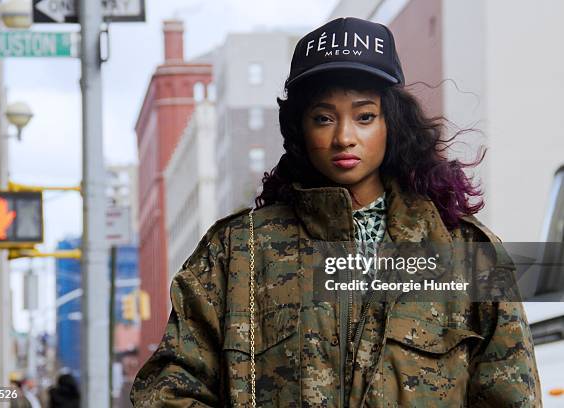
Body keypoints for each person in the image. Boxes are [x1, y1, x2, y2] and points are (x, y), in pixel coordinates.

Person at [130, 17, 541, 407]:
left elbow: (510, 394)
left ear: (390, 124)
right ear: (300, 129)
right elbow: (168, 389)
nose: (344, 137)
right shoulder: (238, 254)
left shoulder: (465, 254)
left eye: (364, 117)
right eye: (323, 118)